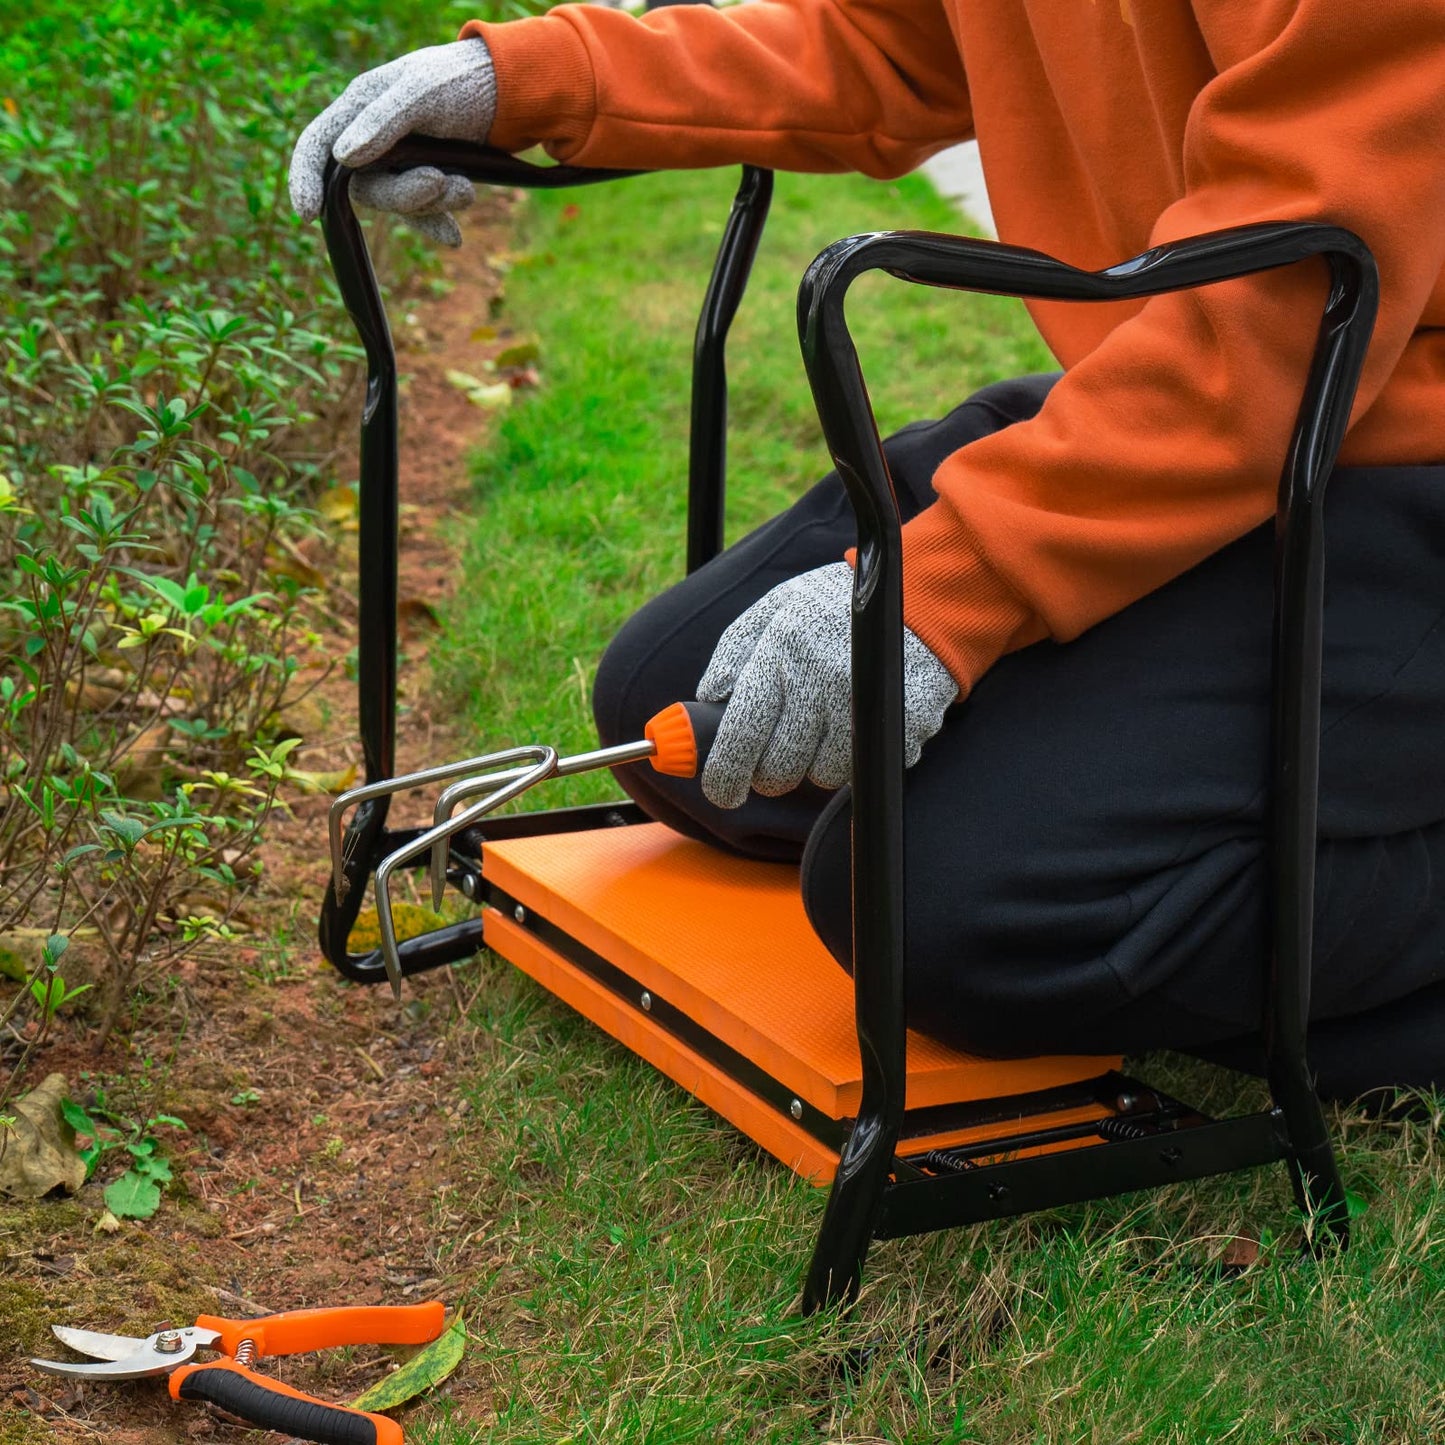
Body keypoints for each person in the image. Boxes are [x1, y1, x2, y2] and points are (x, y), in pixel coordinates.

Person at [290, 1, 1445, 1100]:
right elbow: (879, 43)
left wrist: (948, 595)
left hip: (1387, 450)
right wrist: (531, 82)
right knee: (686, 712)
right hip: (1184, 403)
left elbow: (1291, 291)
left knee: (928, 906)